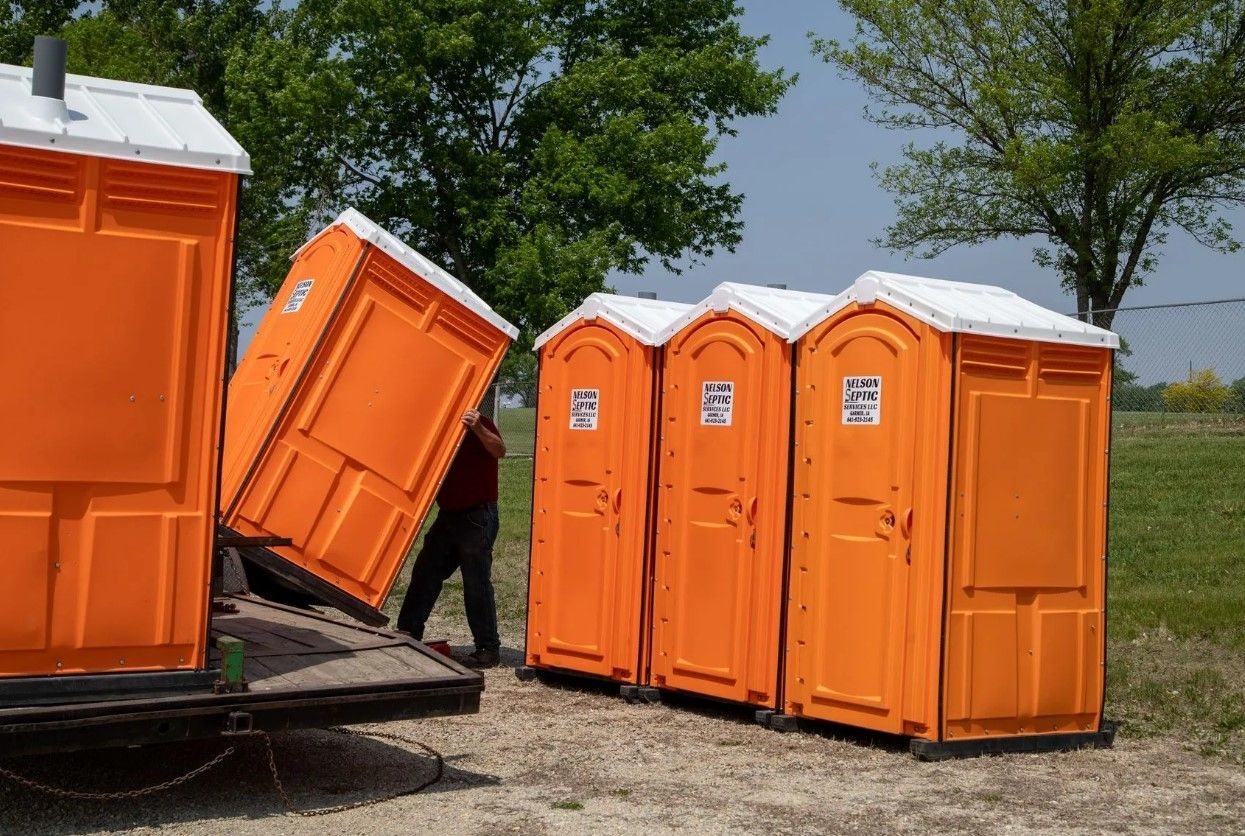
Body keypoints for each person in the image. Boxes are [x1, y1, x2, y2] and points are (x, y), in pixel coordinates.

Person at [397, 408, 505, 668]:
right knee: (425, 572)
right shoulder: (438, 427)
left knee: (476, 582)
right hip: (448, 516)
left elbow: (500, 450)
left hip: (478, 515)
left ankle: (488, 648)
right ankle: (408, 633)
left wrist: (478, 427)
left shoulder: (481, 422)